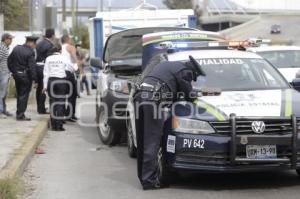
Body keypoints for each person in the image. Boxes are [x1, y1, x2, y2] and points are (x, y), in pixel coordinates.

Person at [134, 55, 203, 190]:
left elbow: (170, 88)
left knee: (143, 141)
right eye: (193, 78)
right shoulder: (184, 71)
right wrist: (199, 94)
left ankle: (143, 177)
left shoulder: (167, 66)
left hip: (141, 97)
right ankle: (149, 181)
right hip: (154, 101)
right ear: (192, 71)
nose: (191, 79)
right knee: (152, 142)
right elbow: (189, 95)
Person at [7, 36, 38, 121]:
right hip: (25, 77)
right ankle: (20, 115)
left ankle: (19, 113)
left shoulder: (16, 48)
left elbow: (9, 61)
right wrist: (35, 79)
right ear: (31, 43)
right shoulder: (30, 52)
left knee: (20, 94)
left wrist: (14, 71)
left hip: (16, 75)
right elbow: (32, 67)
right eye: (34, 44)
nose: (34, 46)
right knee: (23, 95)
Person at [43, 43, 69, 131]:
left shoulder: (48, 59)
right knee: (60, 103)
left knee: (52, 103)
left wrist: (45, 86)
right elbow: (71, 68)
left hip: (51, 81)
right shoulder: (64, 58)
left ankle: (53, 125)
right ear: (60, 50)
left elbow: (46, 73)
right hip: (61, 81)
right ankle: (59, 126)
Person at [35, 28, 55, 114]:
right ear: (52, 36)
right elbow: (49, 58)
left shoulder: (39, 43)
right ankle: (41, 109)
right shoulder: (50, 45)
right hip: (44, 67)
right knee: (44, 88)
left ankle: (39, 107)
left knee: (38, 88)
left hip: (37, 67)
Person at [61, 35, 78, 122]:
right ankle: (70, 114)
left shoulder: (59, 48)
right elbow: (74, 58)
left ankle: (63, 113)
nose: (71, 40)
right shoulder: (70, 47)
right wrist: (77, 67)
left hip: (61, 72)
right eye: (70, 39)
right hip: (69, 72)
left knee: (63, 94)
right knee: (72, 94)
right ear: (67, 39)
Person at [0, 33, 14, 119]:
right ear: (5, 39)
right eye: (10, 39)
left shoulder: (5, 47)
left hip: (5, 73)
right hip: (2, 73)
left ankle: (3, 110)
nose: (11, 41)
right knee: (1, 94)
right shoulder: (2, 48)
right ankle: (0, 112)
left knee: (4, 94)